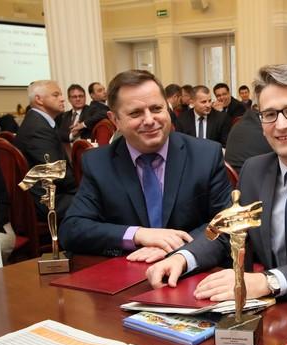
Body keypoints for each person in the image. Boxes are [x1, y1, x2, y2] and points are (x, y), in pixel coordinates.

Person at [147, 64, 287, 301]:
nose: (281, 125)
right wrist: (183, 257)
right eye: (269, 114)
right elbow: (229, 232)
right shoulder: (254, 170)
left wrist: (267, 281)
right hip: (262, 305)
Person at [59, 70, 232, 260]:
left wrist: (181, 252)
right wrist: (137, 235)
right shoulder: (99, 163)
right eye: (135, 113)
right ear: (115, 120)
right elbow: (72, 229)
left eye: (156, 109)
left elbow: (225, 223)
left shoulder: (205, 155)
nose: (149, 120)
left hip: (191, 269)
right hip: (128, 268)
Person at [14, 80, 77, 221]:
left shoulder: (37, 121)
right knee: (99, 201)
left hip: (48, 193)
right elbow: (56, 172)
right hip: (47, 200)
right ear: (39, 99)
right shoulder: (38, 128)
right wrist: (84, 190)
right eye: (56, 95)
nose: (62, 99)